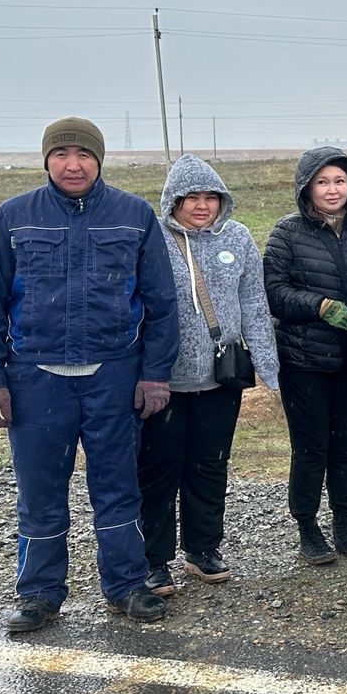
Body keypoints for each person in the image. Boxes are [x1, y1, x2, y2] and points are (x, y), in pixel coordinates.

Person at [0, 117, 179, 631]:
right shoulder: (14, 216)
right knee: (39, 491)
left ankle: (126, 585)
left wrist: (155, 374)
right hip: (35, 379)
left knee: (118, 485)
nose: (73, 164)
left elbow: (162, 303)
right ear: (46, 160)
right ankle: (39, 593)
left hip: (114, 375)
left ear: (99, 160)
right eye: (61, 154)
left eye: (84, 154)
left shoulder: (134, 215)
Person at [138, 154, 280, 596]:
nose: (202, 206)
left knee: (209, 464)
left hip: (221, 376)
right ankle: (153, 560)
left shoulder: (238, 237)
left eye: (211, 197)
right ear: (172, 200)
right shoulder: (151, 238)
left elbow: (253, 302)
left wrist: (268, 366)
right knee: (158, 469)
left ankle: (202, 549)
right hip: (163, 380)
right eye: (191, 197)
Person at [264, 146, 347, 566]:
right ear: (306, 187)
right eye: (322, 182)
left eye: (339, 181)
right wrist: (319, 306)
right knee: (310, 446)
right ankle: (308, 528)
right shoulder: (286, 233)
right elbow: (274, 291)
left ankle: (344, 524)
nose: (332, 190)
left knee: (345, 444)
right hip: (304, 359)